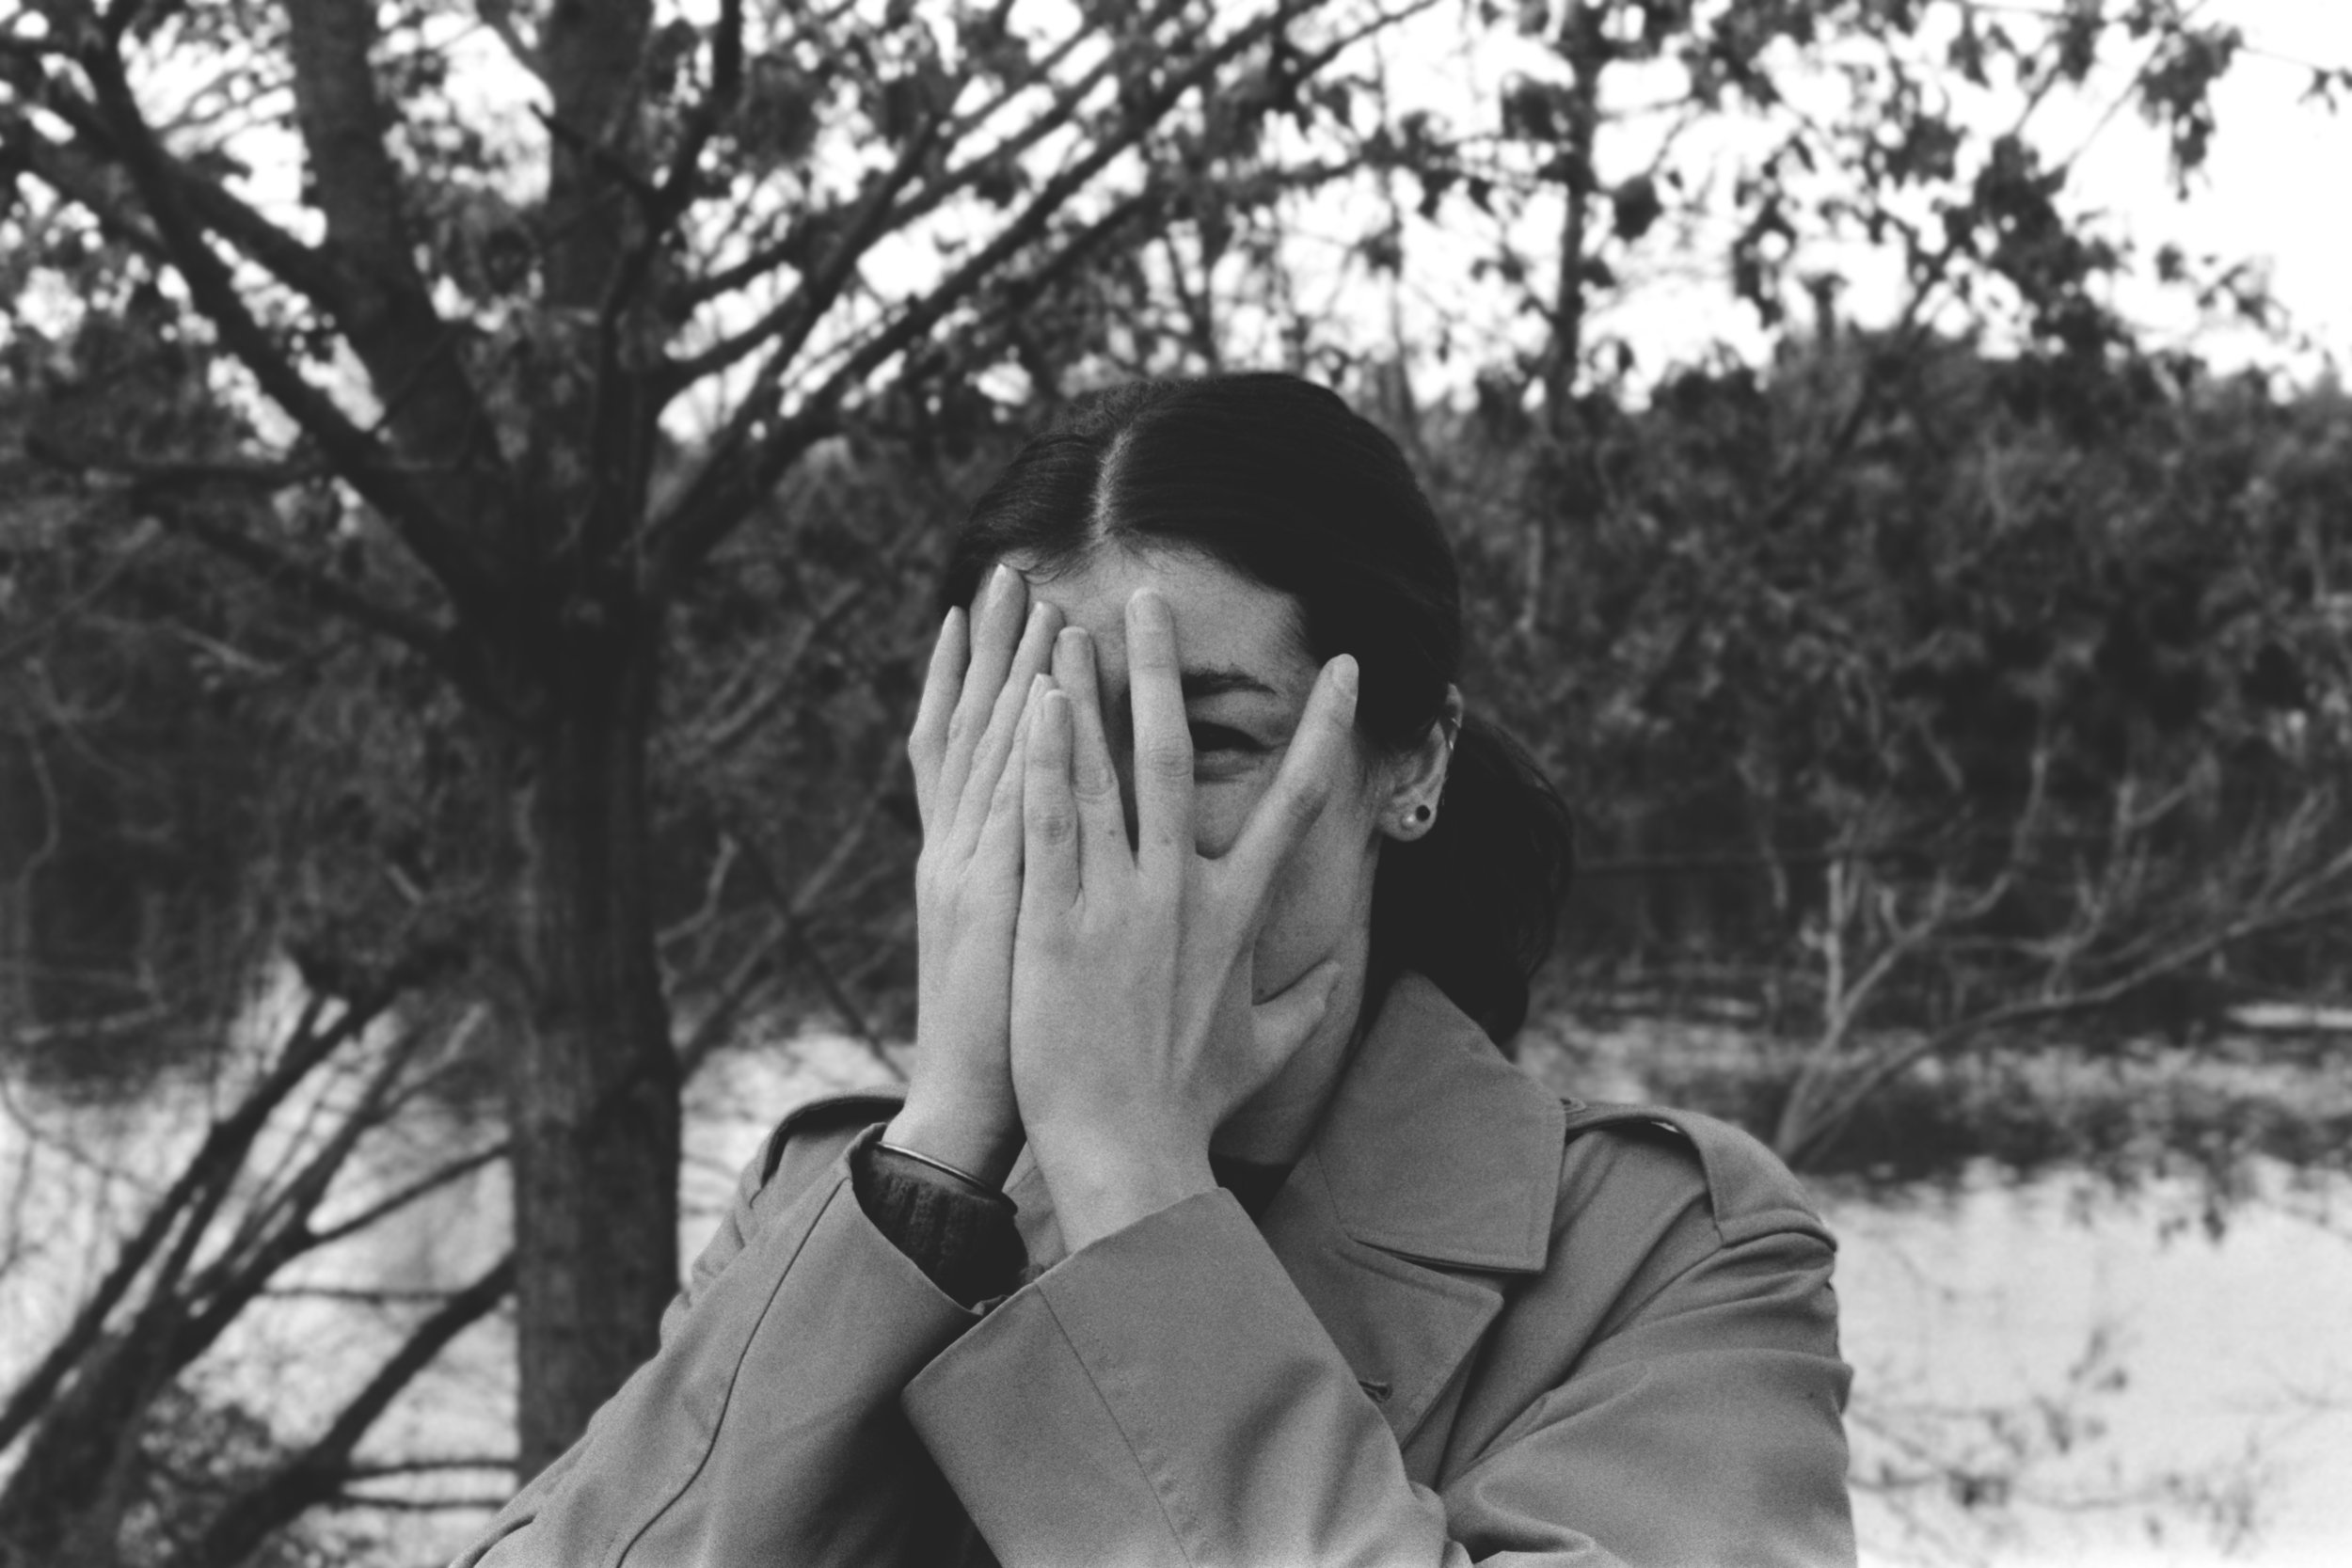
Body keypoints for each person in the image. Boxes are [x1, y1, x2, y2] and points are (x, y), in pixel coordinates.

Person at [453, 375, 1855, 1567]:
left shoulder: (1667, 1254)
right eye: (1046, 743)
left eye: (1217, 743)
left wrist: (1132, 1171)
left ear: (1412, 760)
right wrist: (939, 1145)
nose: (1117, 829)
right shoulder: (831, 1209)